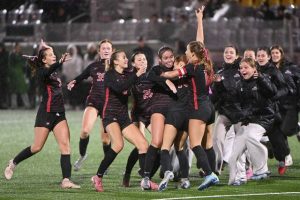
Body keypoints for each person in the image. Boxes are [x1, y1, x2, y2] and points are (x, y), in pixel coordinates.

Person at [4, 40, 80, 189]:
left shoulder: (54, 71)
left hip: (59, 113)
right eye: (50, 55)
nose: (53, 56)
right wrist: (59, 62)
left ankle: (66, 180)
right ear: (44, 59)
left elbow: (54, 81)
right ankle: (13, 163)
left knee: (65, 147)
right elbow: (46, 72)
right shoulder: (41, 72)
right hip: (46, 113)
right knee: (37, 147)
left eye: (53, 54)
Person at [160, 8, 219, 191]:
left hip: (198, 108)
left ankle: (210, 175)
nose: (185, 53)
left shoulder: (192, 67)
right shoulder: (205, 62)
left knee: (194, 144)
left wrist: (160, 74)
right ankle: (210, 173)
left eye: (187, 51)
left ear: (193, 55)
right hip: (209, 108)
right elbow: (199, 42)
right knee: (205, 144)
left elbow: (174, 73)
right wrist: (199, 19)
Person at [91, 50, 149, 192]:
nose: (126, 59)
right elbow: (120, 87)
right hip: (109, 114)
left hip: (123, 116)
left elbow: (137, 81)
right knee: (118, 145)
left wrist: (142, 67)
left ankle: (145, 181)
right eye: (123, 57)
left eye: (126, 57)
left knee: (143, 144)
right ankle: (98, 177)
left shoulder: (128, 74)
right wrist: (137, 74)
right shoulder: (109, 75)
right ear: (115, 61)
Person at [228, 58, 276, 185]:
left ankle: (261, 170)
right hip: (248, 120)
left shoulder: (262, 78)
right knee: (234, 154)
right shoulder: (239, 84)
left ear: (254, 68)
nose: (243, 70)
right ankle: (239, 178)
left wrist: (261, 78)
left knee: (250, 136)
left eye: (246, 67)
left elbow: (272, 92)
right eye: (241, 68)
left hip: (264, 118)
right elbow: (235, 103)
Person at [67, 39, 112, 171]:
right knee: (85, 131)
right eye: (103, 48)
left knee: (105, 140)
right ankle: (82, 155)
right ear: (99, 51)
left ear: (112, 51)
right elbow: (82, 76)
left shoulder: (118, 67)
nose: (105, 50)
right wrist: (73, 82)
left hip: (109, 105)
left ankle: (106, 162)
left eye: (108, 48)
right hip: (94, 101)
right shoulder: (94, 66)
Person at [140, 46, 177, 190]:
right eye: (165, 58)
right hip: (158, 107)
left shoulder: (178, 69)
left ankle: (168, 171)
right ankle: (146, 178)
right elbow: (150, 77)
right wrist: (167, 81)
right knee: (156, 141)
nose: (169, 60)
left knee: (167, 144)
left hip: (174, 109)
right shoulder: (156, 70)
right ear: (160, 60)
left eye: (171, 57)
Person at [158, 55, 191, 191]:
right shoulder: (192, 78)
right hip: (189, 116)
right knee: (180, 148)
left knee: (165, 148)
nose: (176, 66)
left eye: (178, 64)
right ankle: (185, 179)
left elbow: (158, 77)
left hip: (175, 114)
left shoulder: (172, 77)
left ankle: (167, 172)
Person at [122, 51, 154, 187]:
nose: (143, 62)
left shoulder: (152, 75)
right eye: (139, 60)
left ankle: (147, 173)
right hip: (138, 115)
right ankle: (128, 173)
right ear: (133, 64)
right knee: (141, 144)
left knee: (160, 141)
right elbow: (123, 90)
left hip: (151, 115)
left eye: (144, 59)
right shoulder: (131, 76)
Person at [270, 45, 300, 173]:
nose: (275, 55)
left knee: (286, 130)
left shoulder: (291, 68)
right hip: (277, 106)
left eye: (277, 52)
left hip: (291, 105)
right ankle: (284, 157)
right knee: (277, 132)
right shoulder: (269, 68)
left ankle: (297, 128)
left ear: (281, 54)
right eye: (272, 53)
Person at [8, 42, 30, 109]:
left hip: (20, 74)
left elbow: (25, 64)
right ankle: (13, 105)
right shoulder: (12, 55)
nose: (19, 48)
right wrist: (12, 73)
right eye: (18, 47)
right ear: (15, 47)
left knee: (23, 90)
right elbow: (10, 65)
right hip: (14, 75)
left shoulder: (21, 55)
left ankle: (27, 105)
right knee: (13, 90)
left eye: (19, 47)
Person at [0, 42, 9, 109]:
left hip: (3, 76)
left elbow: (6, 65)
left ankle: (3, 104)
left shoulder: (5, 55)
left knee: (3, 91)